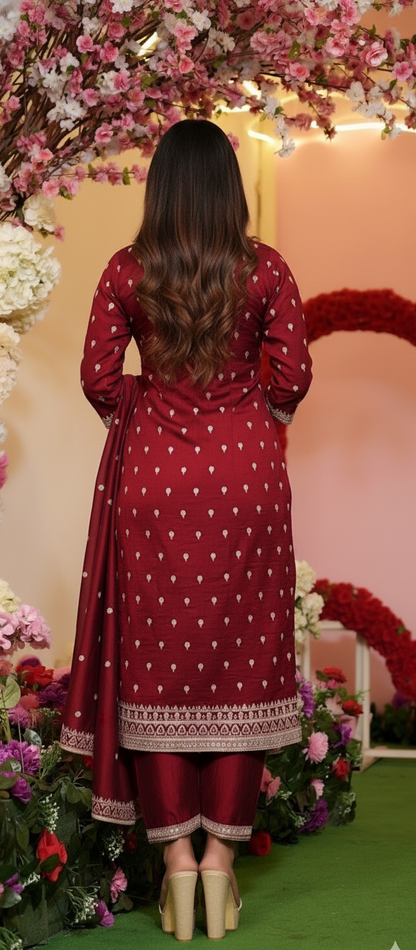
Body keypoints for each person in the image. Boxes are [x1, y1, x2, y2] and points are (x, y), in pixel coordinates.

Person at [61, 119, 312, 941]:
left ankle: (174, 868)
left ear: (161, 186)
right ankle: (219, 869)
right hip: (246, 481)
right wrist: (252, 415)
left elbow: (100, 377)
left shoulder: (128, 271)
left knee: (161, 668)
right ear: (229, 190)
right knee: (241, 662)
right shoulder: (264, 268)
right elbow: (294, 373)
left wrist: (153, 411)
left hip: (155, 486)